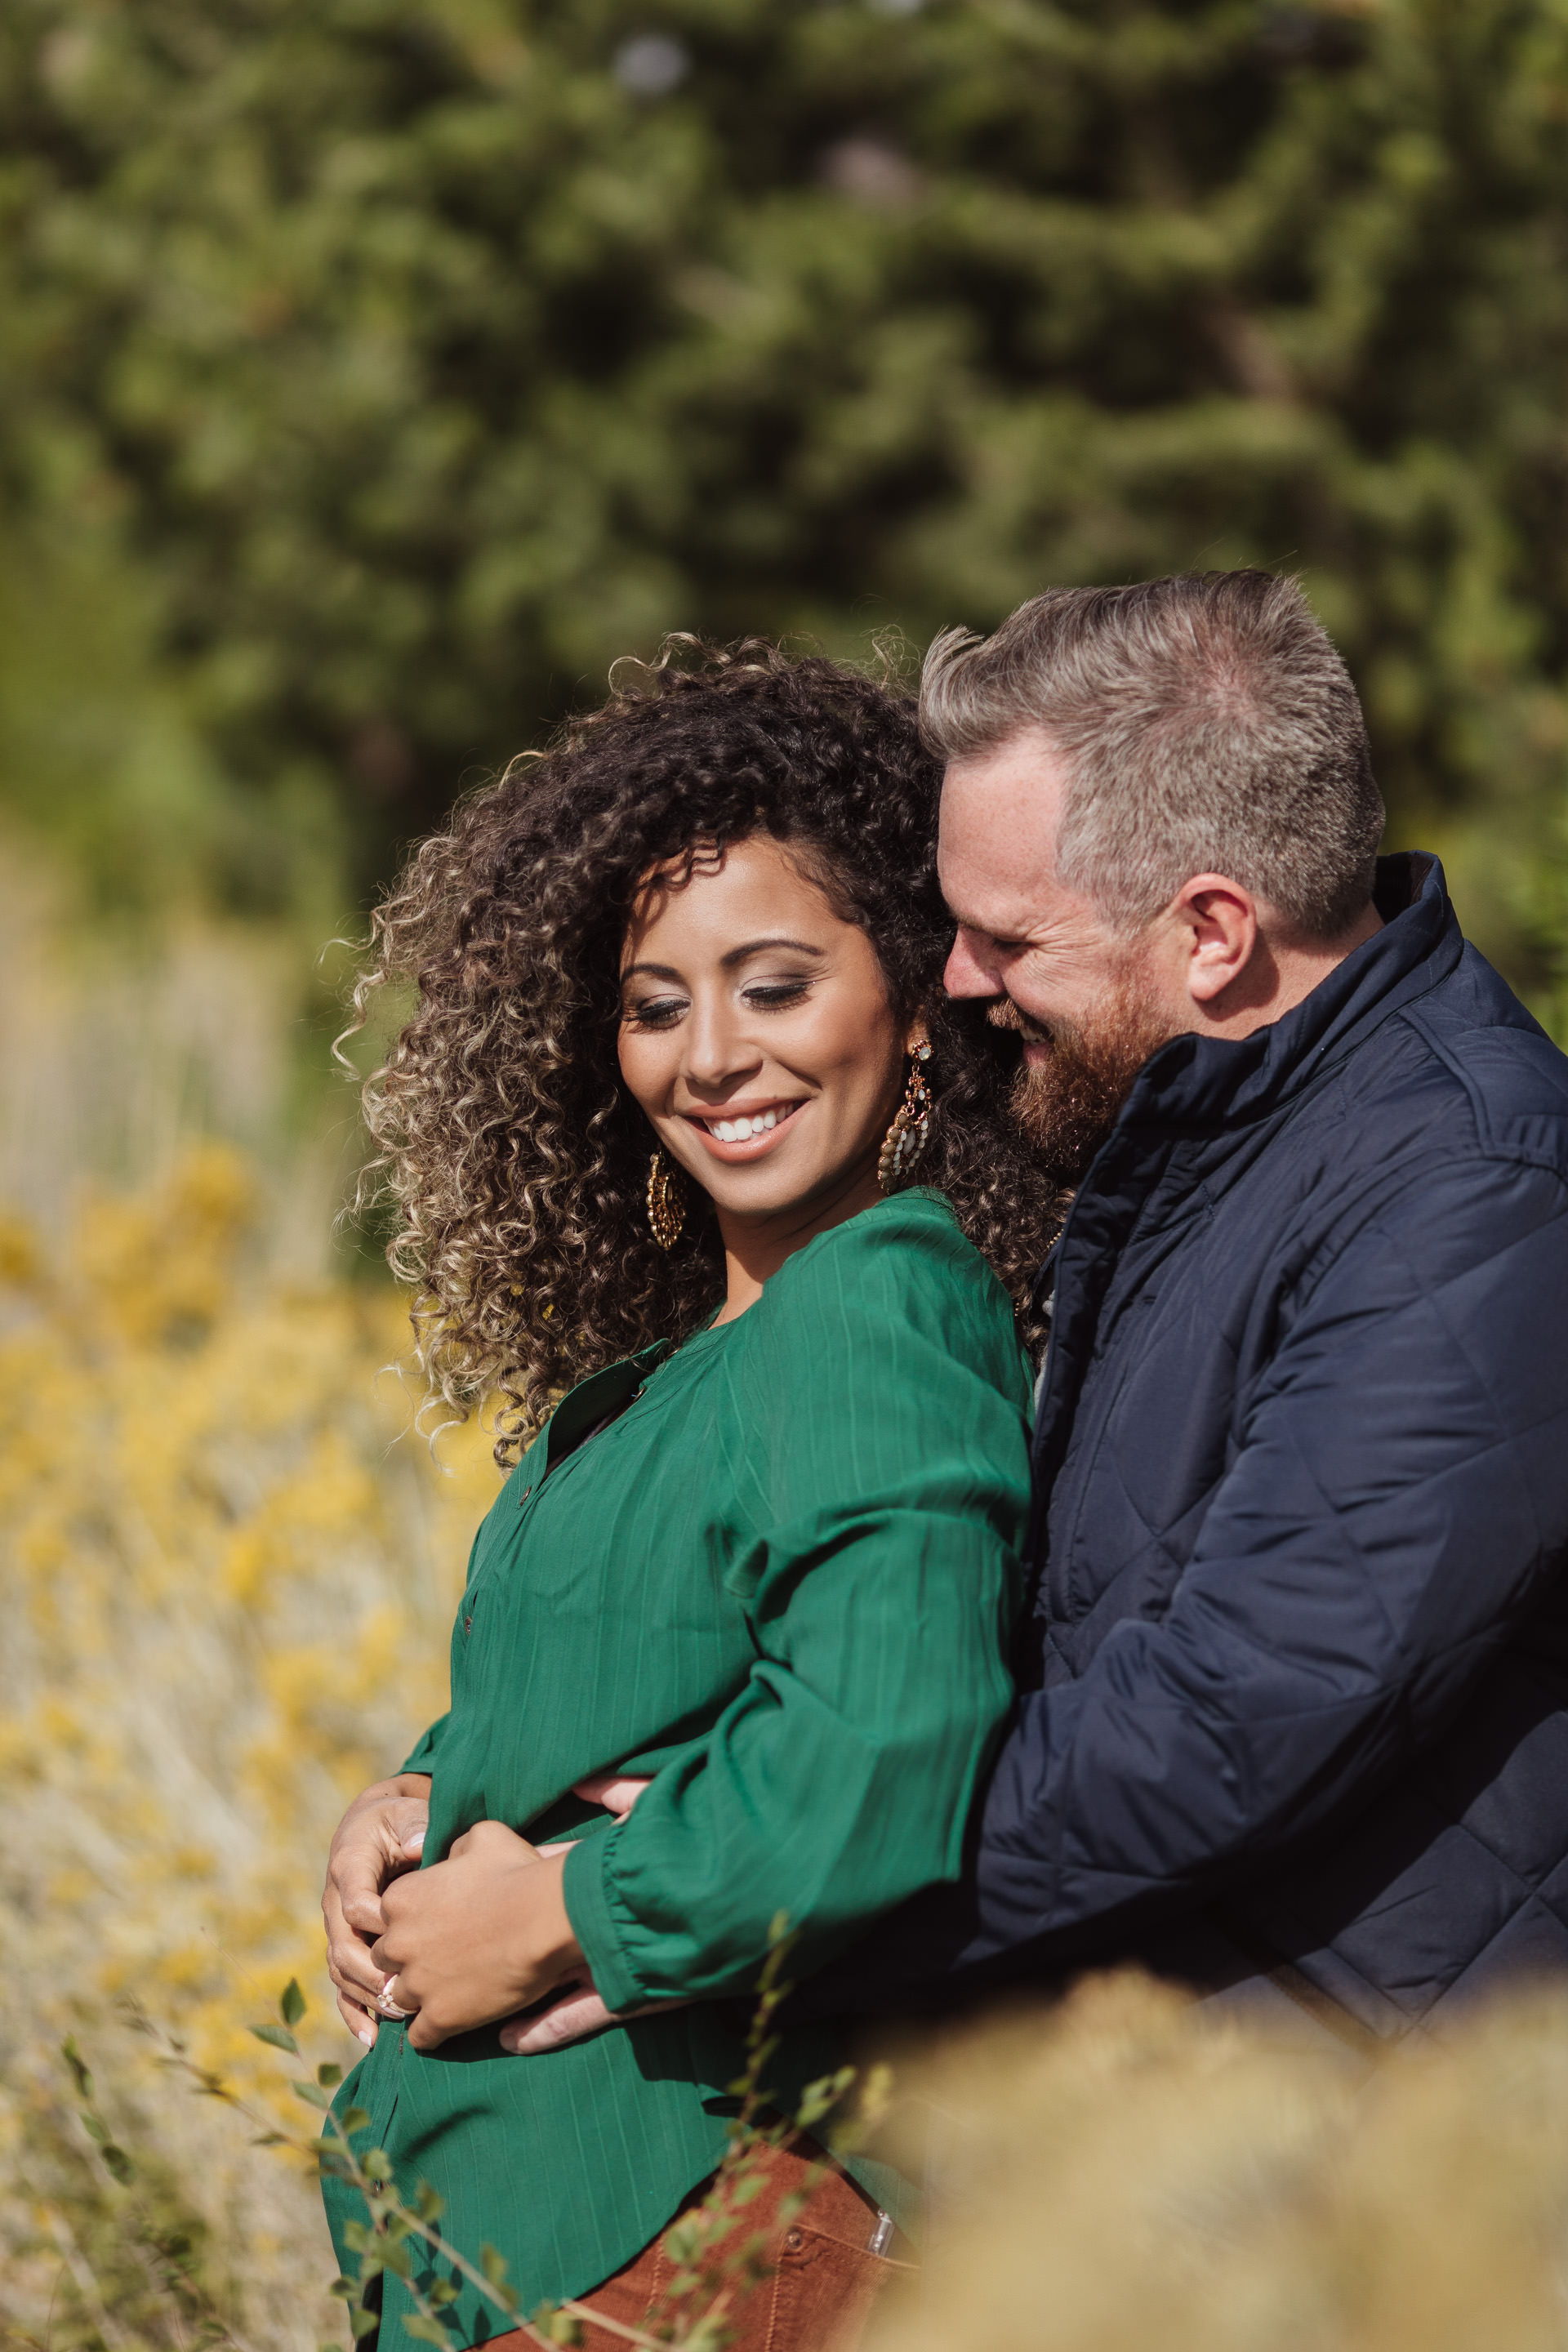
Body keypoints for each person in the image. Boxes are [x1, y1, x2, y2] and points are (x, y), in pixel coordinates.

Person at [318, 644, 1062, 2352]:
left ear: (914, 1002)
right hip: (527, 2234)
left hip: (688, 2219)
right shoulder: (702, 1360)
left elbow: (880, 1745)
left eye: (777, 984)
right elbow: (646, 1682)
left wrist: (565, 1913)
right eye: (659, 1004)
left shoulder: (875, 1304)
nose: (712, 1055)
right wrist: (420, 1796)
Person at [838, 566, 1568, 2038]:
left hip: (1359, 2153)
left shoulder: (1477, 1188)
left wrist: (752, 1896)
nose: (960, 978)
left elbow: (1232, 1714)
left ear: (1216, 932)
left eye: (1010, 937)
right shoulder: (1213, 1123)